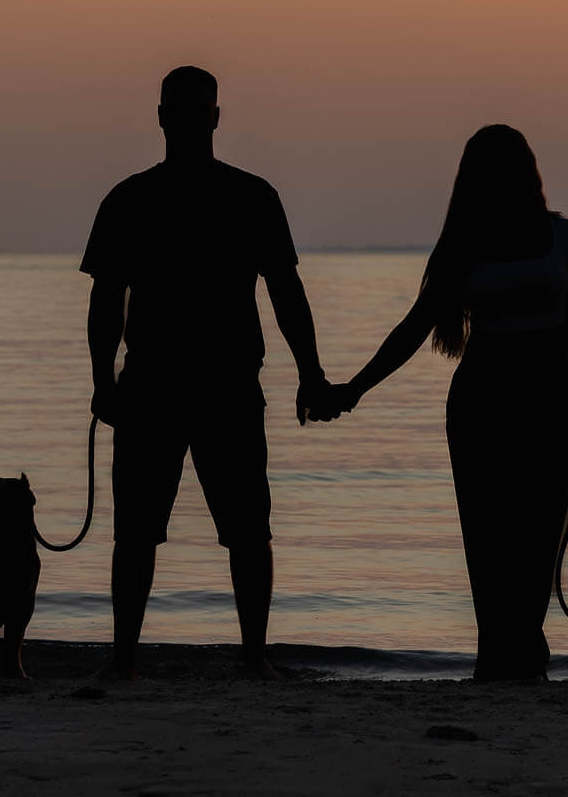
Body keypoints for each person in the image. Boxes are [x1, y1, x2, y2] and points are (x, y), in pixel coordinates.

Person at [329, 124, 568, 681]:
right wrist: (356, 388)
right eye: (492, 170)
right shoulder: (463, 247)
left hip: (552, 399)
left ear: (529, 171)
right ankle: (498, 661)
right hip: (483, 401)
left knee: (537, 542)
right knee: (488, 542)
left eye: (513, 166)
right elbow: (416, 326)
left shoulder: (567, 238)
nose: (506, 178)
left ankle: (524, 659)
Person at [81, 66, 337, 679]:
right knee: (136, 534)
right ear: (162, 116)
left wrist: (311, 372)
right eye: (182, 109)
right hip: (150, 386)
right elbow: (105, 300)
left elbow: (286, 290)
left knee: (249, 530)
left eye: (203, 110)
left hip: (230, 387)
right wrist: (101, 381)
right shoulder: (129, 198)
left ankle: (254, 659)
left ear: (216, 117)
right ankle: (123, 661)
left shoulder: (253, 197)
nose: (193, 121)